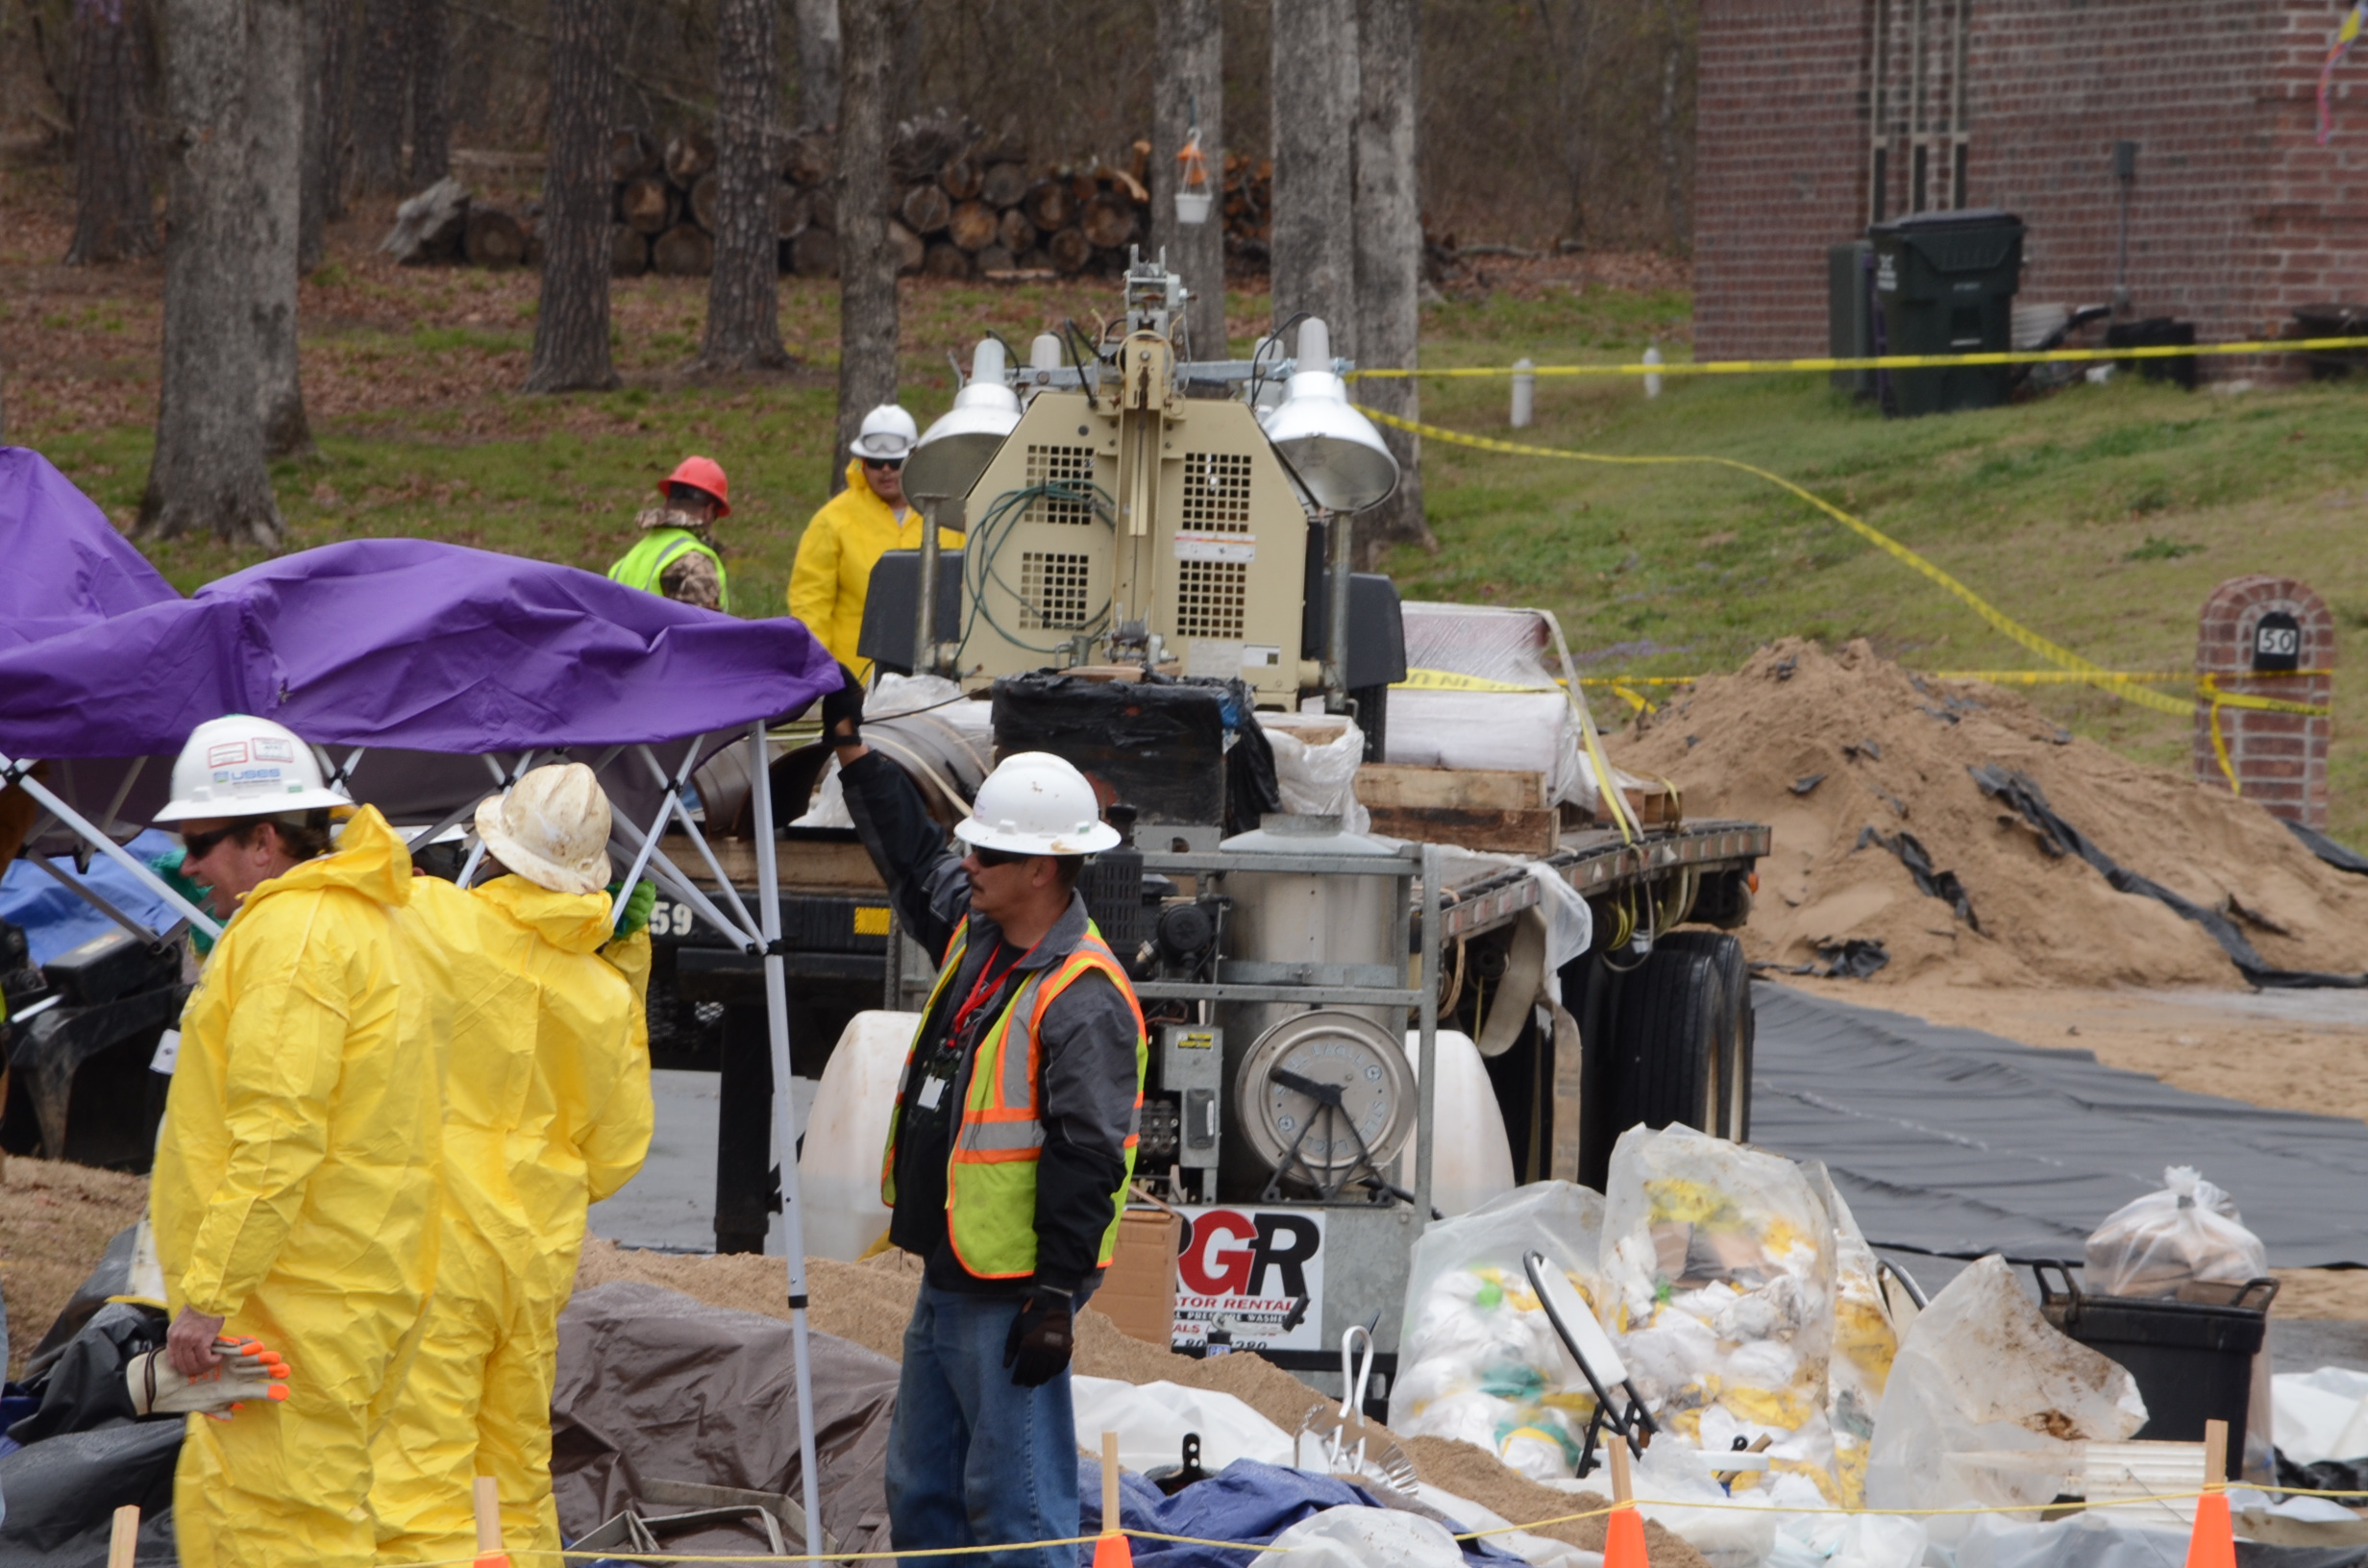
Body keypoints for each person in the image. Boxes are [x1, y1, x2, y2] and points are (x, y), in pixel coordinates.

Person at [823, 670, 1147, 1568]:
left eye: (989, 854)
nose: (968, 864)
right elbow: (913, 856)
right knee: (923, 1495)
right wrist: (856, 752)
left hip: (1009, 1293)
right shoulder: (978, 931)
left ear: (1042, 867)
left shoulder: (1083, 998)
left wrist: (1054, 1297)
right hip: (951, 1270)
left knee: (1019, 1509)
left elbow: (1091, 1156)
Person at [148, 715, 443, 1568]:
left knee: (287, 1535)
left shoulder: (294, 939)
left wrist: (207, 1295)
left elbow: (277, 1138)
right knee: (238, 1514)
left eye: (199, 841)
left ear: (265, 839)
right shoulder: (358, 923)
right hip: (327, 1293)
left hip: (292, 1309)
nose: (186, 863)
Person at [371, 764, 654, 1567]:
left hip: (433, 1248)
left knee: (421, 1476)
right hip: (534, 1262)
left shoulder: (436, 925)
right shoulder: (603, 993)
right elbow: (618, 1154)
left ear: (491, 848)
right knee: (515, 1468)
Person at [787, 406, 962, 681]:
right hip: (856, 680)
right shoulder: (831, 520)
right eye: (876, 462)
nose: (886, 471)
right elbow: (810, 603)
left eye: (895, 462)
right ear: (862, 462)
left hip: (937, 679)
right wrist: (821, 674)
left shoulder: (944, 515)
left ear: (913, 459)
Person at [607, 455, 732, 612]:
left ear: (667, 503)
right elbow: (702, 632)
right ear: (708, 512)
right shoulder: (694, 562)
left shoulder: (627, 561)